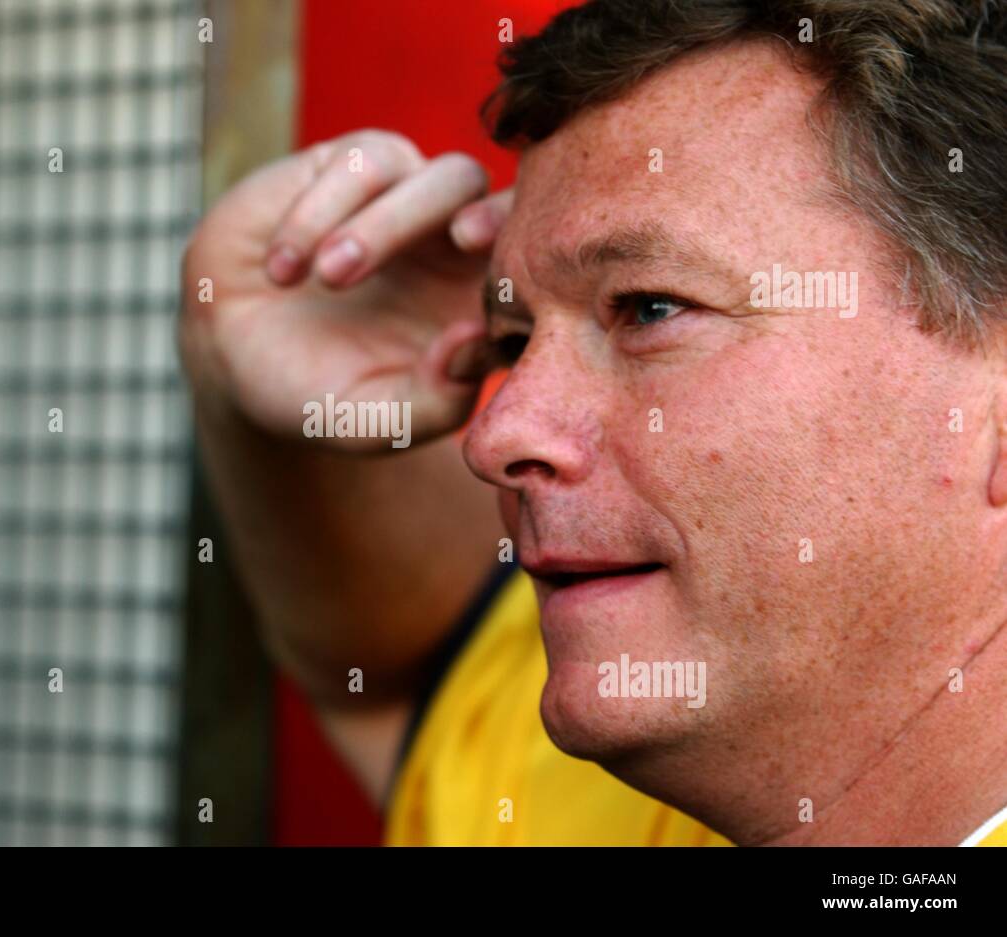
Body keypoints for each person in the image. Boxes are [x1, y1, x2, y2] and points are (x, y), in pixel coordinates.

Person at [179, 0, 1007, 845]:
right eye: (511, 337)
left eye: (650, 307)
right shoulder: (582, 793)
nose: (495, 435)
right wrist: (232, 332)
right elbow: (386, 679)